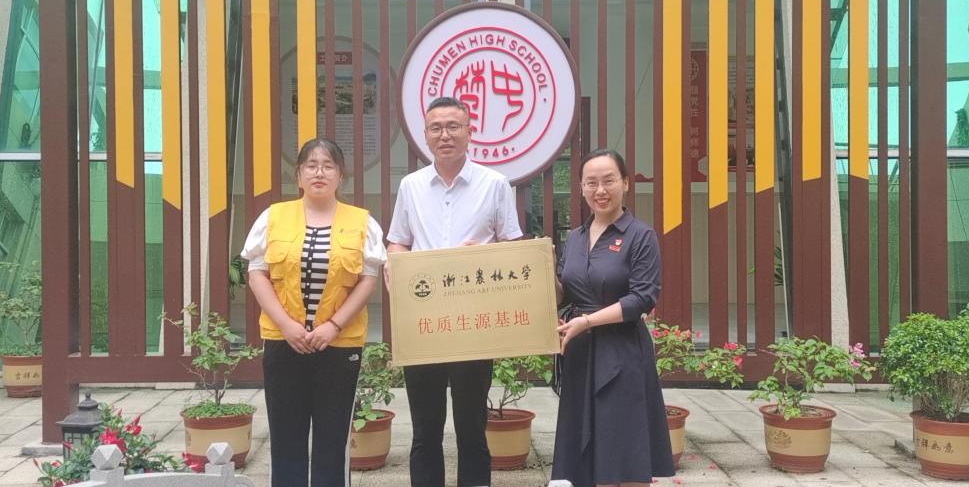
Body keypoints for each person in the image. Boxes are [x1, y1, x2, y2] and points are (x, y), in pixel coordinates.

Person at [387, 96, 523, 487]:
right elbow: (398, 241)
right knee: (425, 428)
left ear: (469, 132)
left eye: (453, 126)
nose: (444, 135)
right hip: (424, 322)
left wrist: (480, 256)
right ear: (425, 135)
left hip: (473, 324)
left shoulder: (494, 184)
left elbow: (512, 246)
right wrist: (396, 268)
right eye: (436, 128)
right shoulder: (411, 186)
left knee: (471, 426)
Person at [241, 138, 386, 487]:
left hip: (339, 344)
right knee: (285, 436)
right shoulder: (273, 217)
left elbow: (367, 280)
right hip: (283, 342)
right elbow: (257, 273)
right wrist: (286, 325)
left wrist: (333, 326)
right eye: (311, 165)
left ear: (341, 176)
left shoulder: (363, 223)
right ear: (299, 175)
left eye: (328, 165)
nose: (319, 172)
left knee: (332, 440)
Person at [551, 149, 674, 487]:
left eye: (609, 181)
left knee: (625, 454)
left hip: (622, 355)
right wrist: (543, 273)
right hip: (580, 355)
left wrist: (588, 322)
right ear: (581, 188)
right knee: (590, 461)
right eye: (591, 183)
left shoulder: (640, 235)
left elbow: (642, 299)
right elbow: (565, 294)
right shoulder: (574, 238)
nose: (600, 190)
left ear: (626, 183)